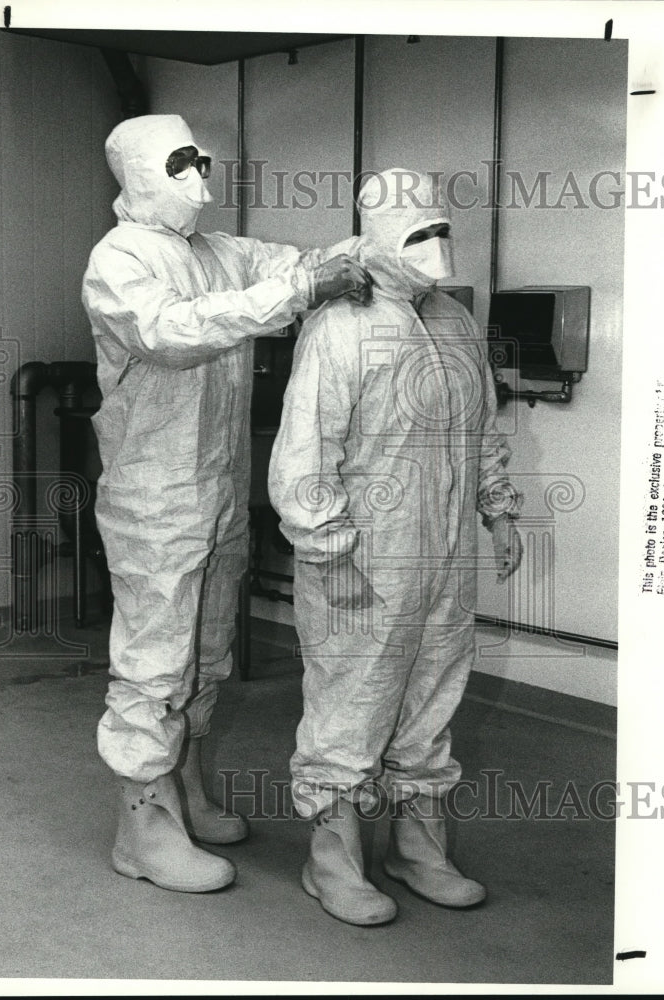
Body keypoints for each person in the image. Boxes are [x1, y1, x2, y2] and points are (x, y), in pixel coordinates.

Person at [81, 114, 372, 894]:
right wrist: (296, 292)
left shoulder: (217, 251)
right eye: (180, 164)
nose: (197, 180)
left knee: (206, 653)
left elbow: (298, 263)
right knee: (152, 663)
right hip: (154, 500)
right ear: (140, 169)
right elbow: (171, 332)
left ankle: (188, 787)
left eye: (200, 162)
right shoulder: (119, 259)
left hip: (215, 494)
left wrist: (369, 248)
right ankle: (141, 824)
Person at [268, 168, 523, 925]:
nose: (435, 247)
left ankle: (417, 849)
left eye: (440, 229)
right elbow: (304, 453)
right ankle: (333, 860)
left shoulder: (451, 321)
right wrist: (326, 550)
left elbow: (478, 429)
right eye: (416, 234)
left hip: (441, 558)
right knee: (349, 705)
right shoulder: (338, 327)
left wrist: (497, 509)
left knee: (431, 699)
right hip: (359, 560)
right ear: (378, 240)